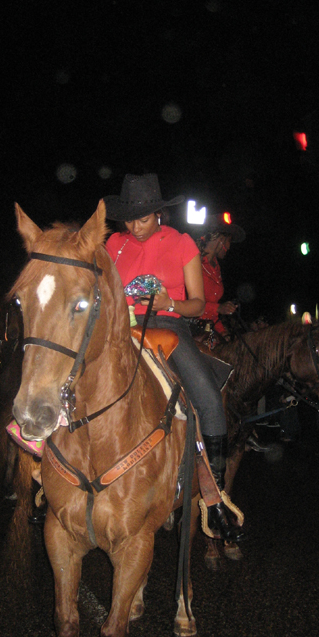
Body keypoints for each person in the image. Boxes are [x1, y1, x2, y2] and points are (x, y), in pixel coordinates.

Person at [103, 173, 244, 542]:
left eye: (144, 218)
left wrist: (170, 303)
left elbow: (198, 303)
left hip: (169, 327)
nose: (135, 226)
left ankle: (214, 497)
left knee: (210, 399)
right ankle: (43, 460)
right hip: (121, 328)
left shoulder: (181, 243)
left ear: (159, 215)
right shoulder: (113, 244)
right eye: (130, 219)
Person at [195, 215, 245, 339]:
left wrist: (223, 333)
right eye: (229, 241)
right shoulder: (195, 262)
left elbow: (212, 312)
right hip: (189, 329)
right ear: (221, 240)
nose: (229, 247)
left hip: (207, 332)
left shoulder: (216, 268)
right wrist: (218, 308)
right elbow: (187, 301)